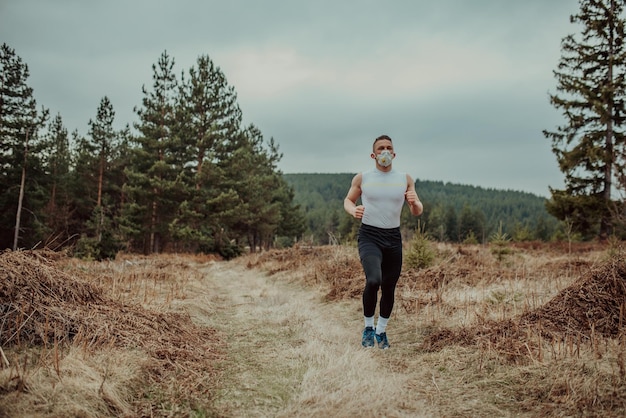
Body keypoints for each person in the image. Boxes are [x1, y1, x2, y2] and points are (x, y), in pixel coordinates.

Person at [343, 134, 423, 349]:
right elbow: (348, 200)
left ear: (394, 154)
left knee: (389, 287)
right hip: (370, 235)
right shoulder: (363, 178)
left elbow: (417, 211)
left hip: (393, 238)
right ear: (373, 154)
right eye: (380, 149)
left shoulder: (405, 178)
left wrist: (414, 203)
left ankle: (381, 331)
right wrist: (354, 210)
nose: (385, 152)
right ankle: (368, 327)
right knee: (373, 280)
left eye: (388, 148)